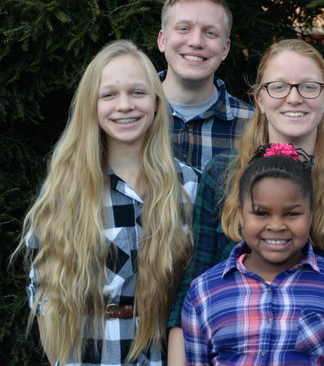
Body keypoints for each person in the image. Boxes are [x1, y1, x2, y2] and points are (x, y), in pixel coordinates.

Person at [167, 38, 324, 364]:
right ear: (259, 99)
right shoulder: (222, 174)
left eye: (309, 87)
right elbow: (196, 279)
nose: (294, 97)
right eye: (278, 87)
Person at [16, 40, 199, 365]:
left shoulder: (188, 186)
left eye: (138, 92)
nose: (124, 105)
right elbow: (46, 298)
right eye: (109, 95)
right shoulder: (66, 190)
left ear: (157, 103)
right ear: (91, 105)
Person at [182, 152, 324, 364]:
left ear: (311, 214)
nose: (276, 226)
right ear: (240, 215)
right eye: (261, 213)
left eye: (291, 214)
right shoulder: (203, 292)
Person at [157, 0, 253, 170]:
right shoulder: (130, 114)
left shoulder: (252, 126)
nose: (196, 42)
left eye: (210, 33)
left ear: (225, 49)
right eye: (184, 28)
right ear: (162, 40)